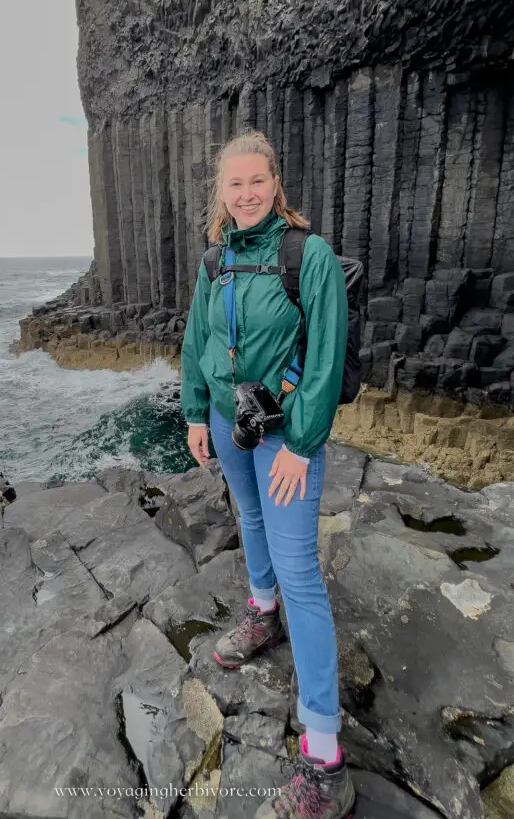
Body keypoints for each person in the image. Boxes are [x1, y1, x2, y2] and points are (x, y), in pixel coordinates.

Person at [180, 132, 354, 819]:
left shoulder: (307, 256)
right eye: (234, 185)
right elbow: (196, 338)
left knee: (302, 572)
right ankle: (260, 612)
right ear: (220, 193)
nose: (246, 193)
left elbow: (327, 359)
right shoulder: (215, 259)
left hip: (284, 432)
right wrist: (197, 411)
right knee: (246, 518)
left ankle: (325, 758)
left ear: (275, 185)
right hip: (228, 421)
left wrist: (302, 445)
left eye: (257, 182)